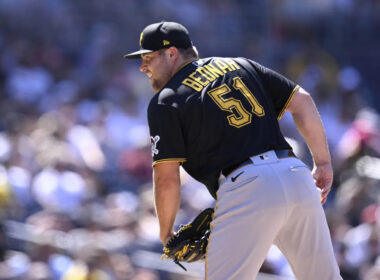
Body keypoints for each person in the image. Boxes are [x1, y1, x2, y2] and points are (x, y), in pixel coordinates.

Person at [124, 21, 343, 280]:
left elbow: (167, 178)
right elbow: (303, 101)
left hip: (248, 187)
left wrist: (166, 231)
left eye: (148, 57)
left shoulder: (166, 100)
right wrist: (324, 162)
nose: (142, 66)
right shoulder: (242, 65)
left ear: (171, 53)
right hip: (296, 174)